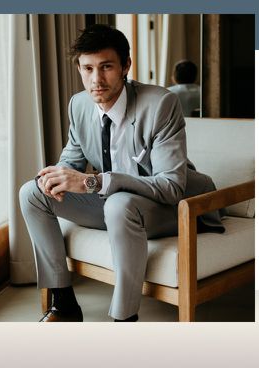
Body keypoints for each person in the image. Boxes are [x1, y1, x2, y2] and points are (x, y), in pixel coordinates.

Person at [19, 24, 224, 322]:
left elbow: (170, 187)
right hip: (119, 204)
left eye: (106, 67)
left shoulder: (160, 104)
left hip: (179, 207)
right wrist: (57, 176)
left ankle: (124, 319)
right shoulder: (78, 105)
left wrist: (96, 181)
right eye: (87, 68)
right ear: (79, 68)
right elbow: (72, 160)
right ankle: (63, 303)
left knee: (118, 203)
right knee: (31, 192)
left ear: (126, 66)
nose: (96, 79)